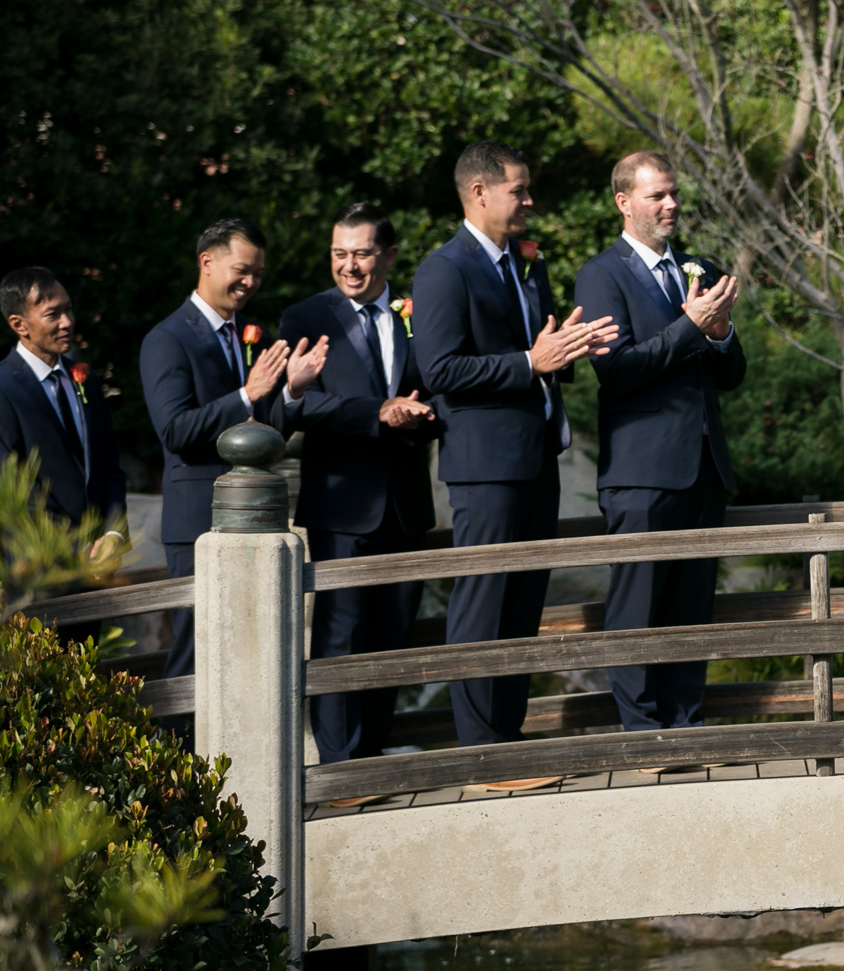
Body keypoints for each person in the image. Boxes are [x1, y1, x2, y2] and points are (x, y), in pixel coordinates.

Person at [412, 142, 618, 767]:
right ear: (479, 193)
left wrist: (566, 349)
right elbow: (440, 367)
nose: (530, 201)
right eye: (519, 190)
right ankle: (478, 751)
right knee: (483, 602)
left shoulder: (526, 264)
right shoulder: (444, 269)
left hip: (535, 459)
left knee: (524, 604)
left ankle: (508, 738)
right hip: (484, 468)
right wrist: (531, 361)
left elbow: (543, 349)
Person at [573, 151, 746, 733]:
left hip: (703, 467)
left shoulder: (698, 268)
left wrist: (721, 336)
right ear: (624, 203)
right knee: (637, 610)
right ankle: (641, 733)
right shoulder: (601, 275)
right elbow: (616, 371)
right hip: (642, 474)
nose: (671, 205)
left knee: (691, 610)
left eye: (673, 194)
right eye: (656, 196)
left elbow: (730, 375)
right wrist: (690, 328)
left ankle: (685, 723)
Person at [280, 203, 440, 771]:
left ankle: (372, 755)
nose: (349, 266)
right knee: (340, 635)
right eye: (339, 254)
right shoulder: (304, 317)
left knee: (392, 636)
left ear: (389, 255)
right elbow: (301, 406)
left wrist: (424, 414)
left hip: (406, 502)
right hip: (342, 505)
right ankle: (339, 764)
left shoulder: (416, 314)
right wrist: (377, 412)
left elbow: (437, 384)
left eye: (362, 254)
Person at [141, 218, 327, 680]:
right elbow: (175, 431)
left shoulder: (254, 337)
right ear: (207, 262)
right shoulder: (166, 339)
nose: (250, 283)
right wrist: (246, 394)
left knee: (254, 646)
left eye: (258, 274)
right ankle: (178, 751)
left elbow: (270, 436)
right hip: (197, 519)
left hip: (257, 518)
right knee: (197, 648)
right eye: (242, 270)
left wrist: (291, 393)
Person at [0, 267, 126, 561]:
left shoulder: (85, 379)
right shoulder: (4, 387)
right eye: (53, 314)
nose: (67, 322)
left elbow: (109, 466)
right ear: (19, 324)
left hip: (99, 560)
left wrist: (113, 535)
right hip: (37, 565)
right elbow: (12, 487)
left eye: (68, 310)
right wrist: (76, 551)